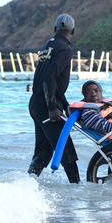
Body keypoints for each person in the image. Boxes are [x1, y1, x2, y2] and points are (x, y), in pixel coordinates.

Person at [27, 14, 80, 182]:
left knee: (44, 150)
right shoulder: (65, 49)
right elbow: (49, 78)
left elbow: (52, 82)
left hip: (36, 102)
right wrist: (52, 107)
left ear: (55, 29)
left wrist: (64, 105)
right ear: (73, 30)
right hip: (45, 103)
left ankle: (28, 183)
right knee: (65, 146)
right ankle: (77, 185)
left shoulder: (47, 46)